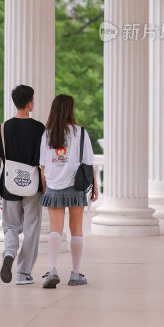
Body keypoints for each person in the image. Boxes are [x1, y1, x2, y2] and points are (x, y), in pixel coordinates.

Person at [39, 93, 98, 288]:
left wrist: (45, 188)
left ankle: (53, 270)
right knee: (77, 230)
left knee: (55, 231)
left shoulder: (47, 133)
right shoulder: (80, 132)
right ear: (70, 110)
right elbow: (89, 163)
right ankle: (74, 274)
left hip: (54, 186)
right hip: (76, 186)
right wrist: (95, 187)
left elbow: (43, 166)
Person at [0, 85, 45, 285]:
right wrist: (45, 187)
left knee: (11, 226)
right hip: (33, 186)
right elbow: (44, 162)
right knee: (32, 227)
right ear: (30, 103)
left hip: (9, 184)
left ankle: (9, 254)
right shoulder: (39, 128)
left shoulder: (4, 128)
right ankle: (23, 273)